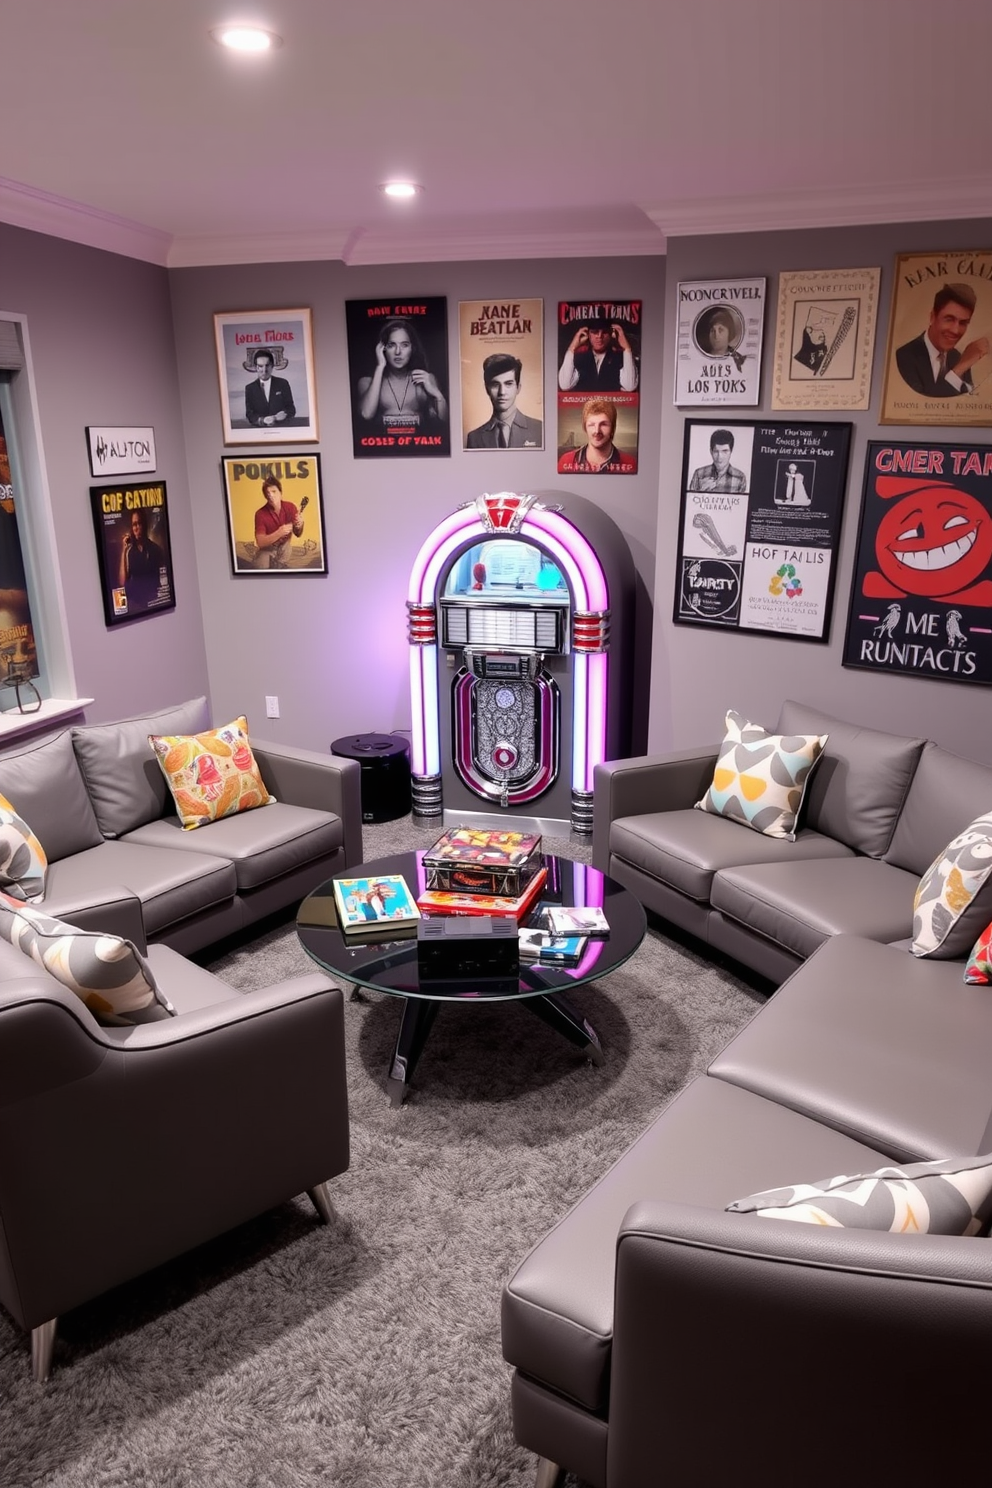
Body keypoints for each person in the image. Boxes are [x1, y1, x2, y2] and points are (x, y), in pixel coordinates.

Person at [895, 283, 989, 397]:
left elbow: (966, 400)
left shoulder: (957, 357)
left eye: (963, 323)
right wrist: (959, 369)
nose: (955, 330)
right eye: (949, 319)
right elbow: (927, 401)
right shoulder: (904, 356)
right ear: (932, 317)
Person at [358, 317, 447, 431]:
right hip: (382, 446)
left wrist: (438, 395)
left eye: (404, 345)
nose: (398, 352)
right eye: (391, 345)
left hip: (419, 446)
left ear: (412, 348)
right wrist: (380, 367)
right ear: (382, 349)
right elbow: (366, 414)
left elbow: (443, 426)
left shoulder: (425, 379)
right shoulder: (367, 382)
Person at [466, 354, 542, 448]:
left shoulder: (540, 429)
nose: (502, 392)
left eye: (508, 384)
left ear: (518, 388)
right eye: (495, 384)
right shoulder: (474, 438)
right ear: (486, 389)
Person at [558, 319, 638, 392]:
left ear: (610, 335)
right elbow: (565, 385)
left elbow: (630, 387)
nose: (599, 336)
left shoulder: (620, 357)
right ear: (588, 335)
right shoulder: (579, 358)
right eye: (595, 332)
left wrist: (627, 349)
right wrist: (572, 348)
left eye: (604, 332)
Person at [558, 399, 634, 473]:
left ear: (612, 427)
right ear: (585, 428)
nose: (597, 431)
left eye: (603, 424)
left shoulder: (629, 463)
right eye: (591, 425)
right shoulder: (567, 461)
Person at [117, 506, 167, 608]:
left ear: (144, 525)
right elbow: (122, 581)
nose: (137, 528)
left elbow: (163, 578)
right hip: (135, 602)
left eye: (140, 523)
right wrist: (124, 550)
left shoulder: (156, 549)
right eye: (134, 524)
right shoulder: (129, 551)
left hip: (153, 600)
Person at [253, 475, 304, 569]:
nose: (270, 495)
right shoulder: (260, 514)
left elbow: (298, 533)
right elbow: (260, 542)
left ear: (280, 493)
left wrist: (299, 525)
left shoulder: (290, 507)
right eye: (267, 493)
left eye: (274, 491)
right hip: (267, 550)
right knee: (261, 566)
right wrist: (279, 533)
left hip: (285, 548)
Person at [244, 350, 296, 426]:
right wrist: (263, 420)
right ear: (256, 368)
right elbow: (250, 414)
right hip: (259, 432)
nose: (264, 370)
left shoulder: (283, 383)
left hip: (282, 429)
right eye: (260, 366)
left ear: (272, 366)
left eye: (267, 365)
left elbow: (291, 409)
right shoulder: (250, 388)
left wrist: (284, 414)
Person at [688, 429, 747, 494]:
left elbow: (742, 503)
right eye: (716, 451)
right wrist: (701, 491)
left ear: (731, 452)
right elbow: (689, 501)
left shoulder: (740, 477)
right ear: (711, 452)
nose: (720, 457)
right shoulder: (699, 474)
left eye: (725, 451)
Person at [695, 307, 746, 371]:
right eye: (713, 331)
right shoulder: (699, 359)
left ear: (729, 333)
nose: (716, 336)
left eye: (721, 330)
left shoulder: (738, 359)